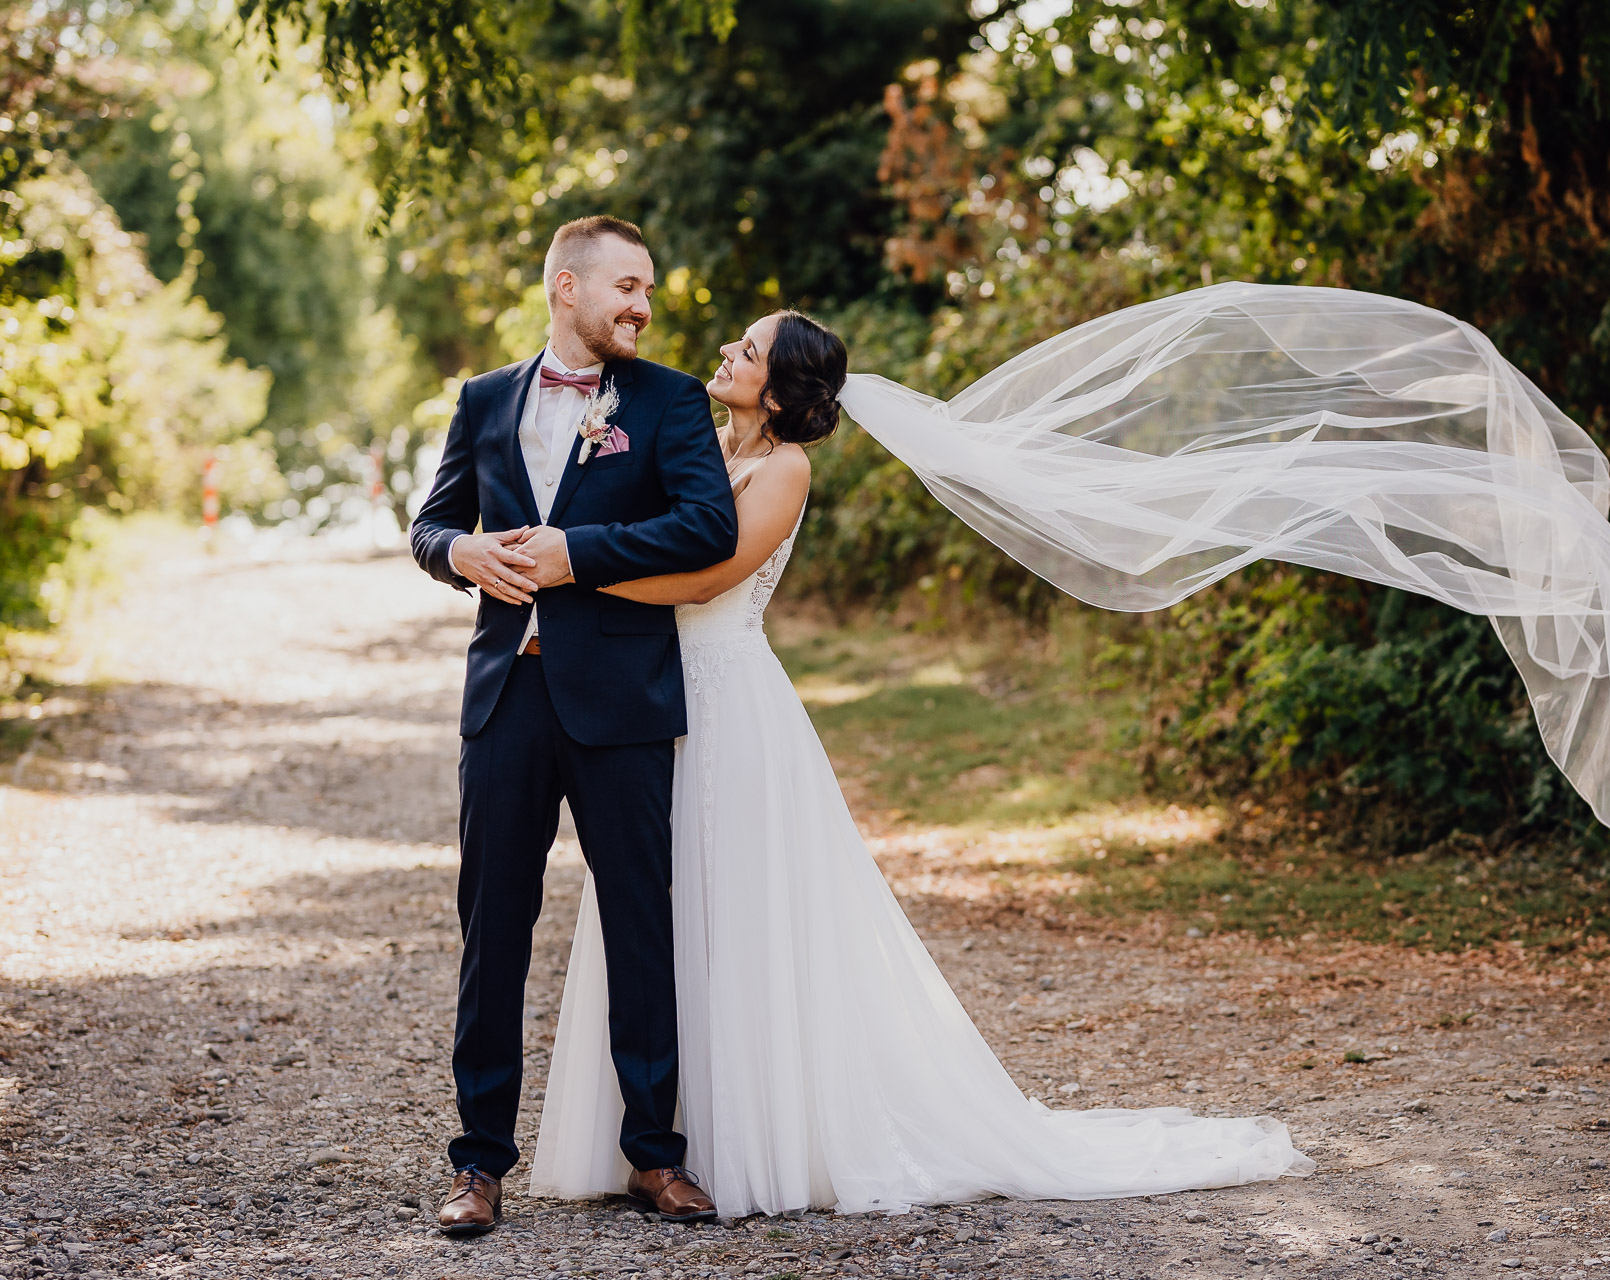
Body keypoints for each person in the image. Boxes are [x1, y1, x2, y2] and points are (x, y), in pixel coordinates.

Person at [527, 308, 1316, 1216]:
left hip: (729, 702)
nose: (726, 352)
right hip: (649, 700)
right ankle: (664, 1132)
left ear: (780, 391)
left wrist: (571, 572)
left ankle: (758, 1137)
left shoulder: (786, 469)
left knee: (737, 903)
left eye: (747, 350)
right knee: (652, 907)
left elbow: (710, 578)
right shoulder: (693, 442)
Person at [408, 215, 738, 1235]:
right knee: (492, 926)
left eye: (647, 291)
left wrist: (575, 552)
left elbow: (708, 524)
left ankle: (655, 1155)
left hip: (623, 702)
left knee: (642, 920)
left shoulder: (672, 400)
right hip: (507, 695)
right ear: (567, 286)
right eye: (626, 287)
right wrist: (457, 552)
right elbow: (430, 522)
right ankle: (478, 1164)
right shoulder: (483, 398)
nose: (641, 306)